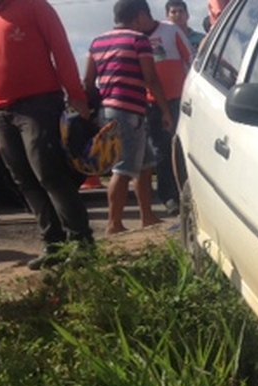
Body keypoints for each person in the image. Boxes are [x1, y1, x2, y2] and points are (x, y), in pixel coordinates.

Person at [0, 0, 94, 269]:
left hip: (39, 104)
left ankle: (81, 242)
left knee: (49, 172)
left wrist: (76, 94)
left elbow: (61, 49)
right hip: (1, 113)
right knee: (23, 179)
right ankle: (54, 243)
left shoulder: (33, 6)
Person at [84, 0, 173, 235]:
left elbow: (88, 81)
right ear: (139, 16)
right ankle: (114, 223)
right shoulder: (138, 40)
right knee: (123, 169)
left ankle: (148, 216)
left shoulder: (97, 42)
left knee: (145, 165)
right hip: (129, 110)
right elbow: (151, 78)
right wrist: (165, 110)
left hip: (109, 109)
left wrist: (94, 110)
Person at [136, 1, 191, 215]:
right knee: (160, 150)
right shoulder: (135, 38)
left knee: (182, 146)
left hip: (178, 99)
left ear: (141, 16)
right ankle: (169, 197)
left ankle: (187, 192)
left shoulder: (171, 31)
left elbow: (190, 59)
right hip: (151, 103)